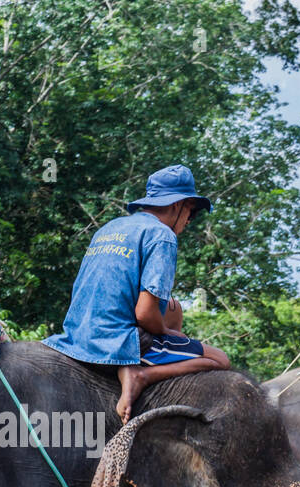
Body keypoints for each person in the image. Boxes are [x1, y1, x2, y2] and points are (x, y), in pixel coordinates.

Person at [44, 164, 231, 423]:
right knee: (220, 360)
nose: (189, 221)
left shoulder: (110, 228)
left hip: (78, 333)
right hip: (118, 340)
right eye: (192, 212)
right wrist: (167, 333)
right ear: (178, 205)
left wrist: (169, 323)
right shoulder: (163, 236)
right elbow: (144, 314)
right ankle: (142, 375)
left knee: (175, 308)